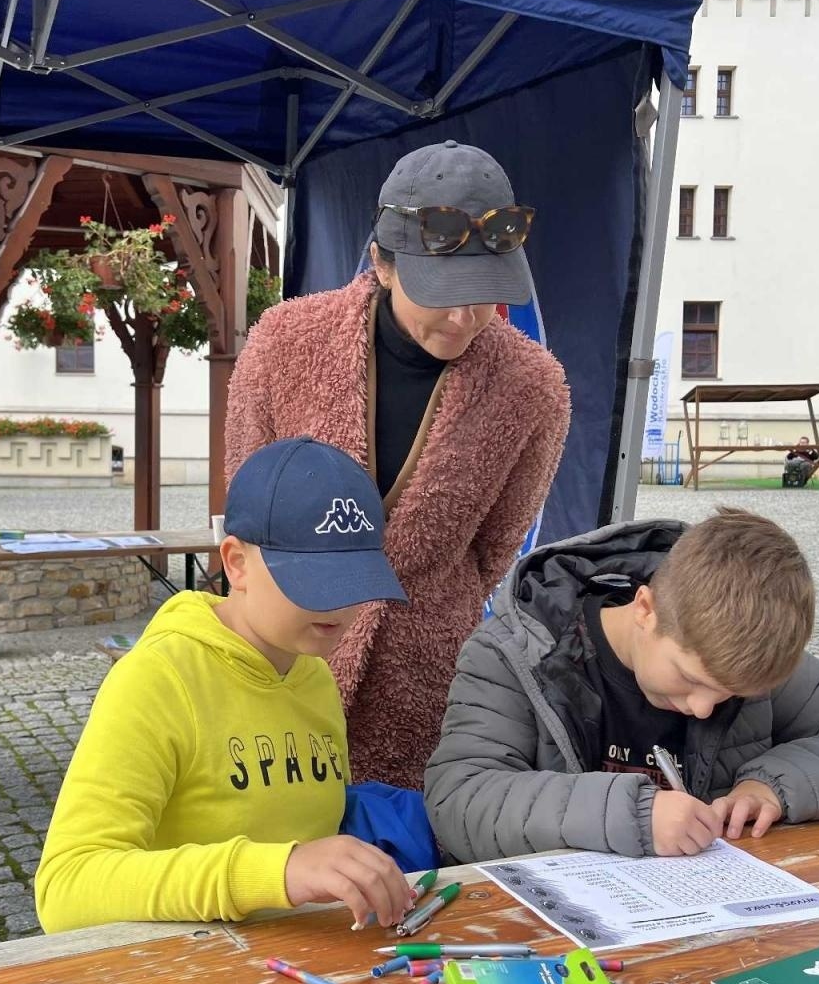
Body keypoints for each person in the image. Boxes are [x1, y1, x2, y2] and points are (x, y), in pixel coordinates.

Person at [226, 141, 570, 791]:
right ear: (382, 263)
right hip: (281, 652)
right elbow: (249, 499)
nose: (466, 317)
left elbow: (494, 549)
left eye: (486, 293)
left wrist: (425, 604)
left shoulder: (532, 388)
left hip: (424, 680)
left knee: (403, 862)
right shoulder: (285, 343)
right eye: (443, 291)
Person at [33, 437, 415, 933]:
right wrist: (274, 871)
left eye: (354, 580)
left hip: (296, 968)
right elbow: (66, 887)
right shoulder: (158, 680)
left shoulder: (312, 671)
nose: (341, 610)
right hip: (177, 978)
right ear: (235, 563)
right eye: (316, 582)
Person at [424, 508, 819, 862]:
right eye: (690, 679)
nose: (702, 707)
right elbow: (458, 799)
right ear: (645, 609)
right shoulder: (514, 652)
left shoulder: (745, 661)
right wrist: (634, 814)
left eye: (729, 694)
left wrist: (773, 785)